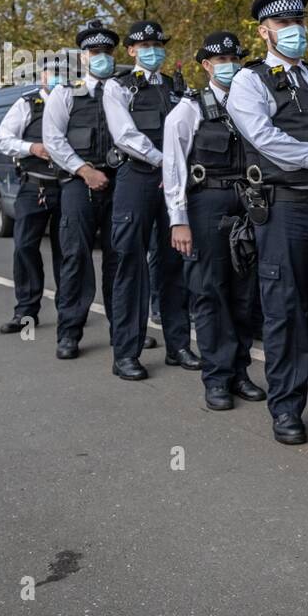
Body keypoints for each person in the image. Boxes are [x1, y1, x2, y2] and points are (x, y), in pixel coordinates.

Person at [227, 0, 308, 444]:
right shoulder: (249, 80)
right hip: (286, 209)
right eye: (283, 25)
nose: (294, 32)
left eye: (298, 23)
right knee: (286, 312)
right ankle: (288, 408)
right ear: (265, 32)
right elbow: (261, 135)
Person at [161, 31, 266, 412]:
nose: (231, 66)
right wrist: (178, 220)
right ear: (206, 65)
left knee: (244, 295)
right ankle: (217, 378)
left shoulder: (252, 102)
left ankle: (240, 372)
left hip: (249, 204)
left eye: (236, 59)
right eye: (222, 60)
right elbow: (173, 167)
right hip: (207, 206)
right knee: (210, 293)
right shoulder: (189, 109)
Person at [105, 21, 200, 381]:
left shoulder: (179, 86)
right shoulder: (119, 87)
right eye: (144, 44)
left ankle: (178, 345)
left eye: (158, 43)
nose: (152, 49)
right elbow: (125, 135)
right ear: (130, 50)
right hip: (138, 178)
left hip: (174, 183)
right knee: (131, 264)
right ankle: (126, 352)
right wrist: (166, 161)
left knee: (174, 263)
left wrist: (178, 168)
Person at [43, 21, 122, 360]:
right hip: (79, 184)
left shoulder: (124, 90)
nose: (101, 56)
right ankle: (69, 332)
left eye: (106, 51)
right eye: (94, 52)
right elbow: (53, 139)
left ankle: (124, 331)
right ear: (84, 56)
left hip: (121, 182)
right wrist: (85, 170)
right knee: (76, 257)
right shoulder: (66, 93)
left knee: (121, 259)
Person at [0, 54, 64, 335]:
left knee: (69, 251)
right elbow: (4, 138)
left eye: (64, 71)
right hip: (34, 185)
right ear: (42, 76)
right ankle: (26, 311)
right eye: (53, 71)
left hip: (68, 187)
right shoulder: (27, 104)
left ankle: (69, 309)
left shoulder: (77, 102)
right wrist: (31, 148)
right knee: (25, 247)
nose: (59, 76)